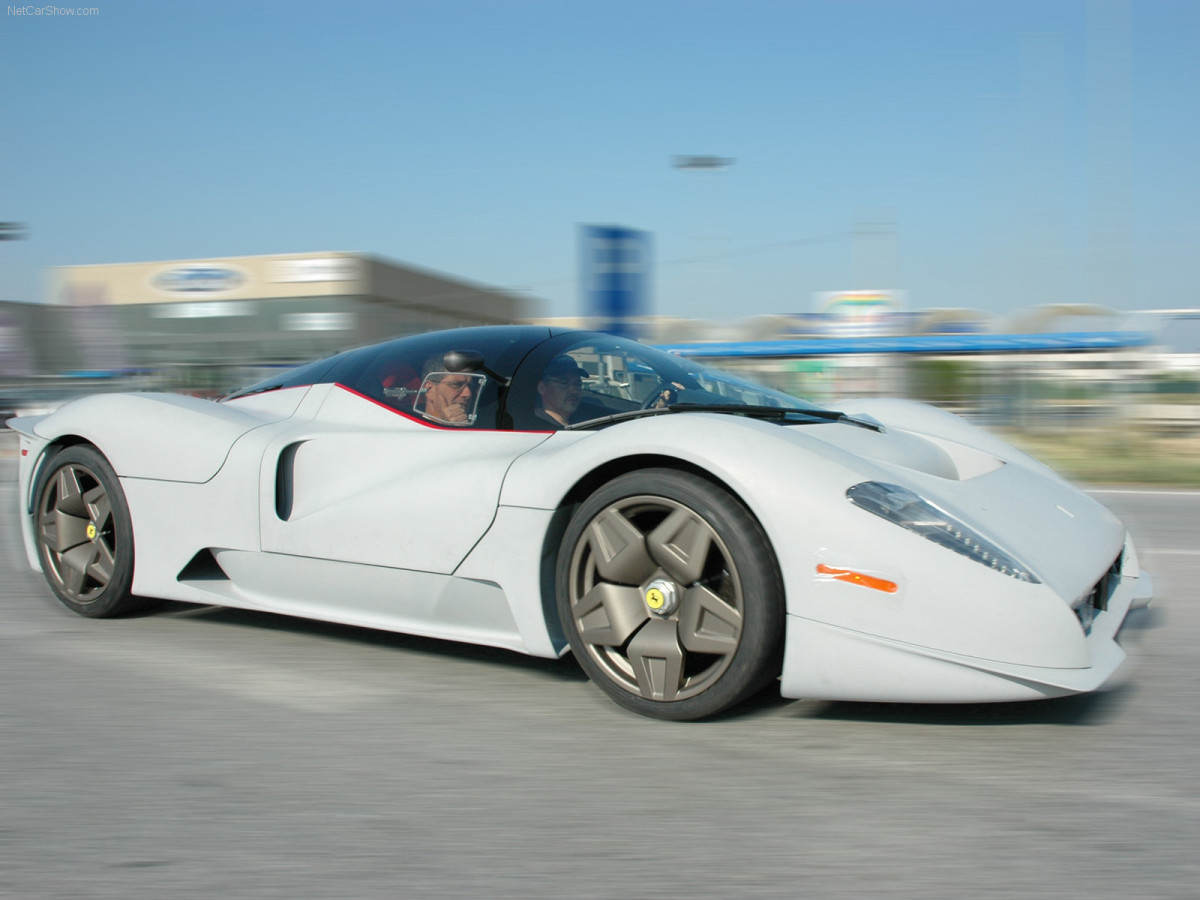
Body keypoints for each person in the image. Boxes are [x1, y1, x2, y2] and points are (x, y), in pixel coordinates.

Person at [418, 355, 482, 426]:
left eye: (470, 386)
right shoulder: (411, 432)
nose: (468, 394)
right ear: (429, 389)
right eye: (456, 385)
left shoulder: (484, 431)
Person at [535, 355, 587, 428]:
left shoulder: (587, 422)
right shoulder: (535, 426)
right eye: (564, 383)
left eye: (578, 384)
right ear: (542, 388)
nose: (574, 390)